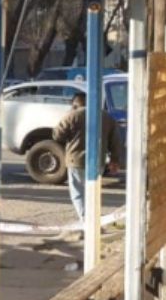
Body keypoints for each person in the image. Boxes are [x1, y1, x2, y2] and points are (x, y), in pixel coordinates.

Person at [52, 92, 123, 223]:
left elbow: (57, 135)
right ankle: (94, 219)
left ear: (75, 103)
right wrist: (115, 160)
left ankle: (86, 221)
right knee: (93, 192)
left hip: (76, 161)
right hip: (98, 161)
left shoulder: (72, 116)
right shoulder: (105, 116)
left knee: (78, 193)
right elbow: (116, 142)